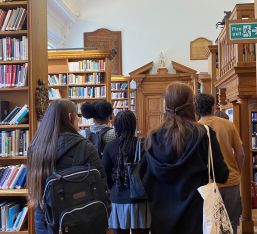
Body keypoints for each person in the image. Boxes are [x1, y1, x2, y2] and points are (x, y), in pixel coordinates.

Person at [138, 82, 229, 234]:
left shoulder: (152, 138)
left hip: (161, 218)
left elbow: (144, 177)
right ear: (191, 105)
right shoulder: (204, 134)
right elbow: (222, 175)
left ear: (165, 104)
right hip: (197, 217)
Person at [27, 100, 107, 234]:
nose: (79, 122)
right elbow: (102, 187)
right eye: (77, 117)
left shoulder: (35, 148)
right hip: (84, 220)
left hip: (46, 222)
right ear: (70, 117)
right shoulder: (86, 147)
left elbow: (35, 190)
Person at [196, 93, 245, 234]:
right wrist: (238, 173)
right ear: (212, 107)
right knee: (231, 225)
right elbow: (240, 154)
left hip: (206, 186)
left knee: (209, 226)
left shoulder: (195, 129)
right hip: (230, 182)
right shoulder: (228, 125)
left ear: (196, 108)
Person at [103, 110, 151, 234]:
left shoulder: (110, 146)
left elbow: (105, 174)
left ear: (116, 126)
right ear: (134, 125)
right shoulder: (143, 144)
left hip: (118, 197)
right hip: (140, 198)